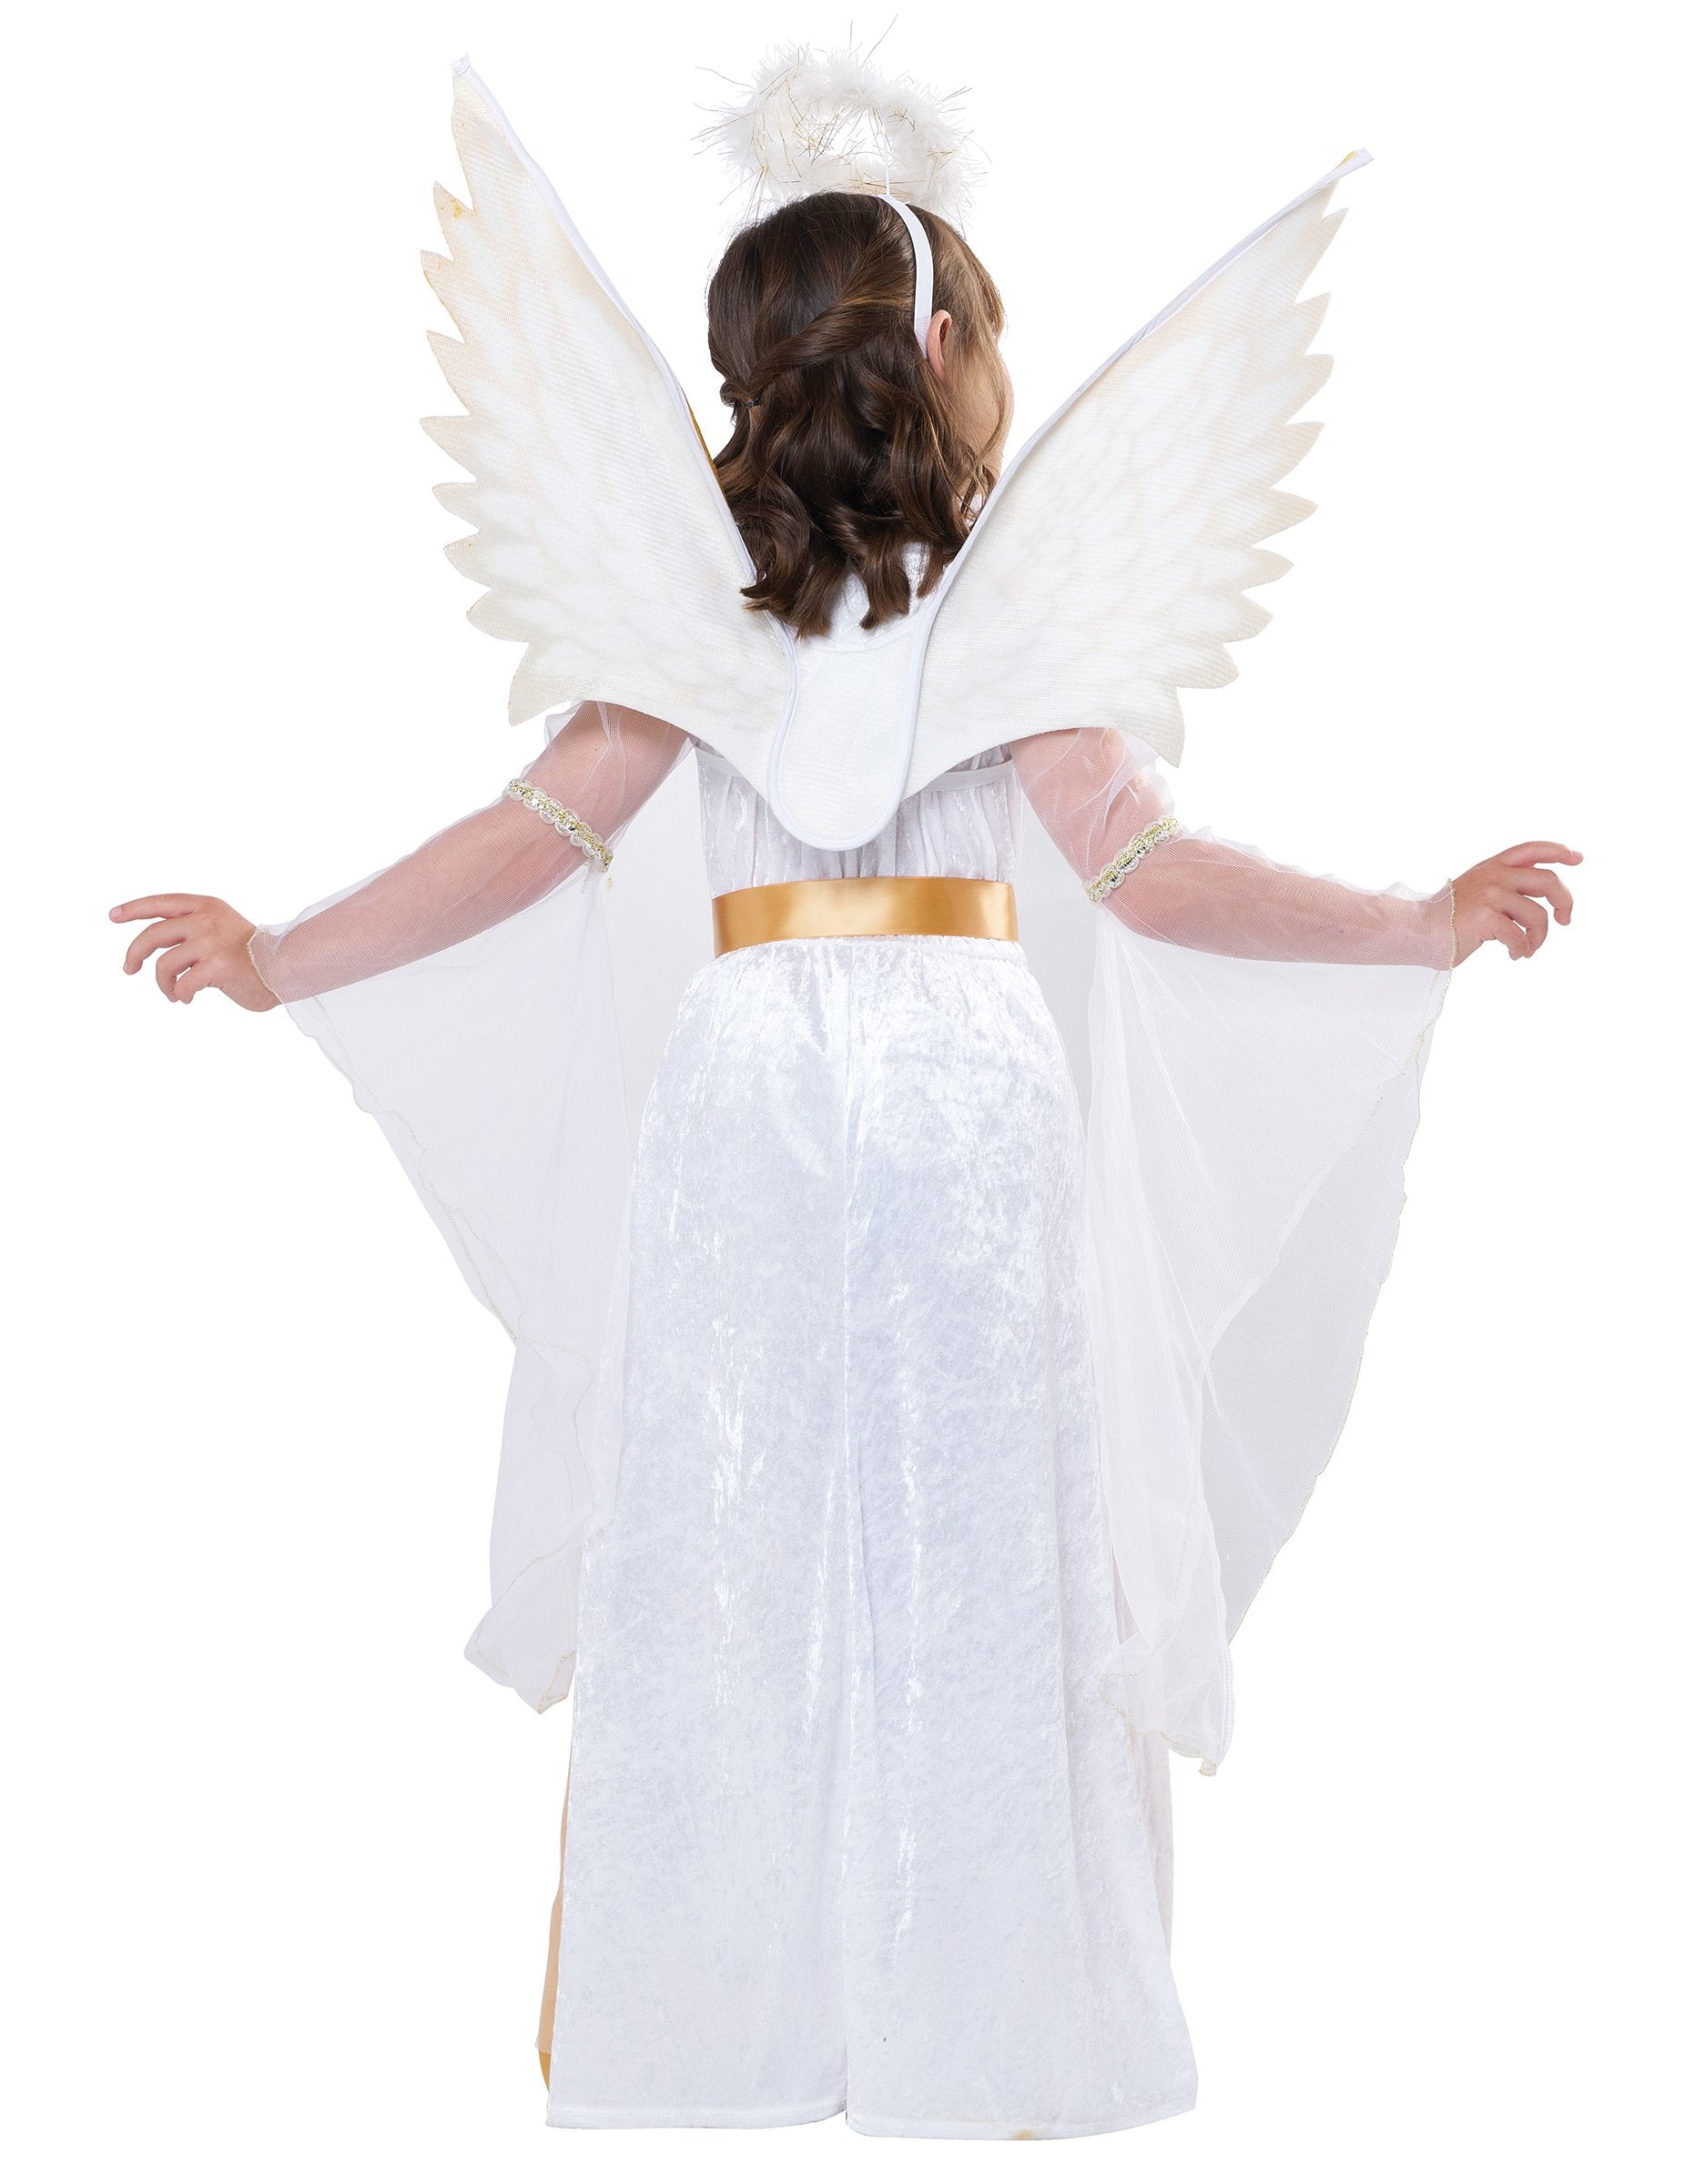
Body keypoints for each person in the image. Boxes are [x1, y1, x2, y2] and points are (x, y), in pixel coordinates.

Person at [109, 49, 1577, 2140]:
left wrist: (286, 951)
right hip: (963, 1084)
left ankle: (717, 2018)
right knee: (980, 1525)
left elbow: (533, 834)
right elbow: (1143, 870)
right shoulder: (1015, 619)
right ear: (947, 349)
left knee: (728, 1515)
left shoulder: (681, 626)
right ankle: (989, 2029)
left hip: (748, 1085)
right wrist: (1409, 921)